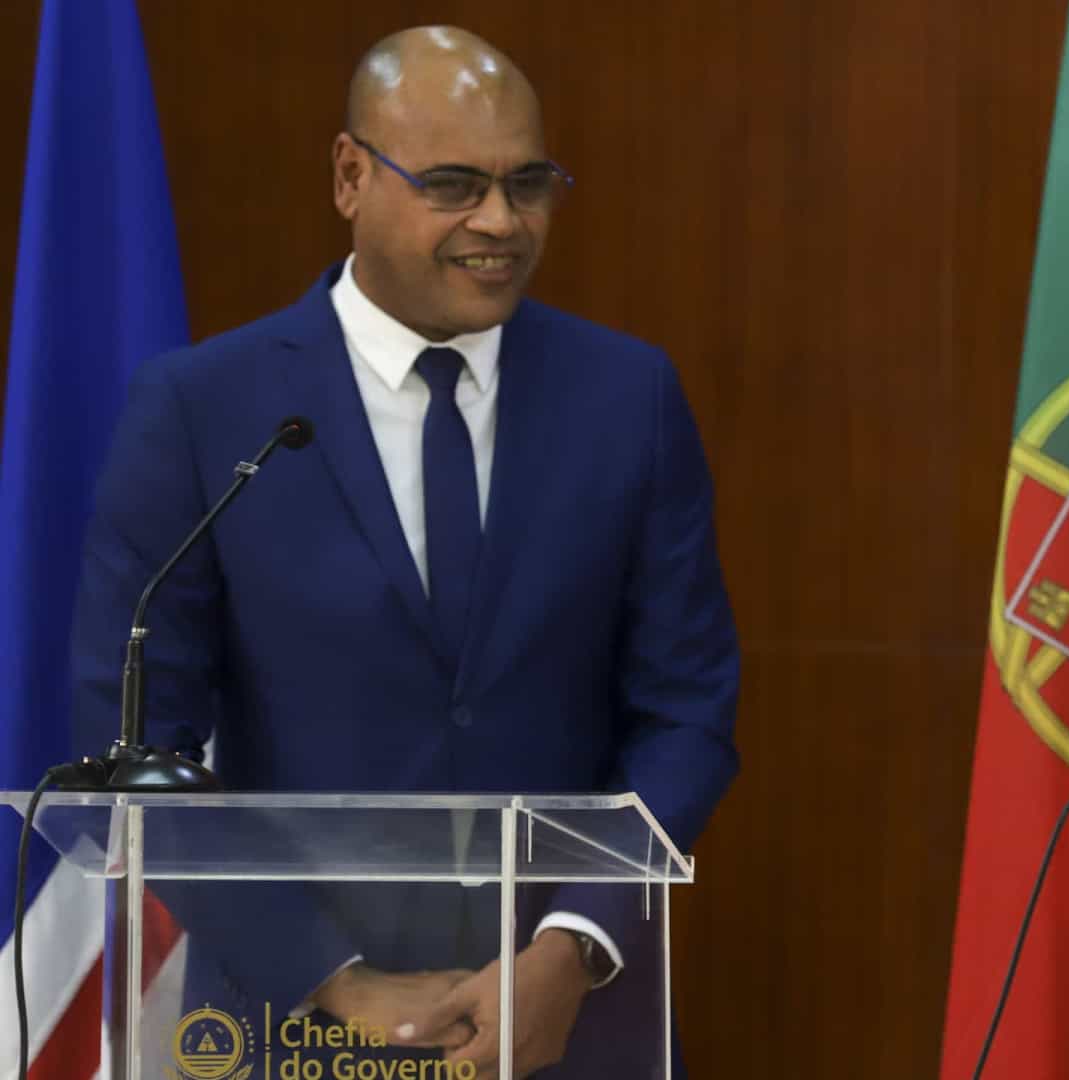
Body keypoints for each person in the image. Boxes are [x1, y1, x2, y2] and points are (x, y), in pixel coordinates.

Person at [66, 26, 738, 1079]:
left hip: (566, 1025)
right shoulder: (203, 410)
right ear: (350, 176)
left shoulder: (628, 399)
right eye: (454, 185)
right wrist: (339, 982)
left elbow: (686, 714)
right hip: (288, 1029)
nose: (501, 221)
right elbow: (133, 746)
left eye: (528, 184)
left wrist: (572, 947)